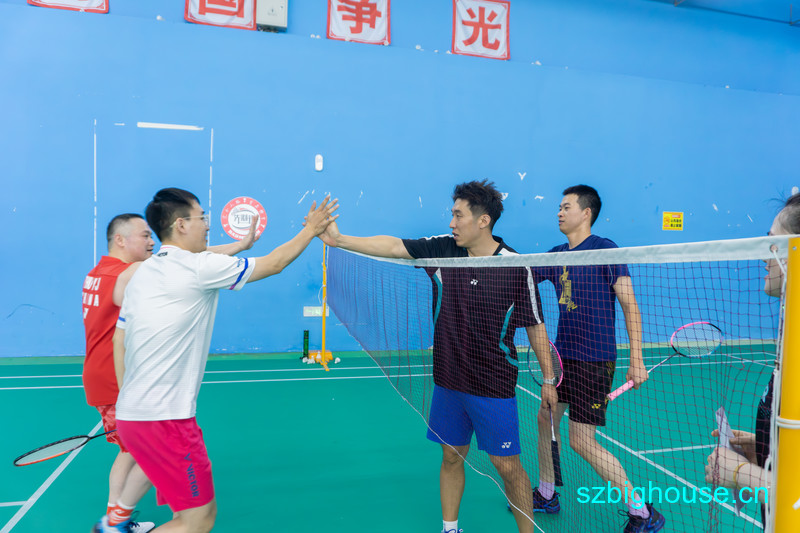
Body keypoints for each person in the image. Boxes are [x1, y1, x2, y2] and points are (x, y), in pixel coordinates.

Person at [318, 180, 556, 533]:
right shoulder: (444, 249)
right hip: (448, 381)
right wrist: (340, 240)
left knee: (507, 467)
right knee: (450, 456)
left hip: (493, 385)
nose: (451, 223)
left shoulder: (516, 267)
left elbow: (535, 325)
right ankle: (450, 528)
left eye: (458, 215)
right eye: (452, 214)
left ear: (483, 220)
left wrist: (549, 380)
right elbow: (394, 246)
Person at [113, 188, 338, 533]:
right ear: (181, 224)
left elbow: (120, 341)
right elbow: (274, 263)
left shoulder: (143, 273)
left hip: (132, 414)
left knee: (184, 514)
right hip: (166, 419)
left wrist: (125, 404)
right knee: (196, 521)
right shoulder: (199, 267)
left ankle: (114, 523)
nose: (207, 224)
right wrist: (312, 229)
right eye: (202, 217)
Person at [83, 213, 260, 533]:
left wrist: (238, 246)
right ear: (120, 240)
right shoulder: (130, 273)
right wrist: (239, 246)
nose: (152, 242)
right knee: (141, 452)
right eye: (144, 236)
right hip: (120, 376)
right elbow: (187, 262)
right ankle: (113, 523)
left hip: (107, 372)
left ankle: (116, 520)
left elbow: (184, 261)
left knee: (138, 451)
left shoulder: (98, 273)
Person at [533, 185, 665, 532]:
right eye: (559, 207)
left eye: (566, 207)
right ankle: (546, 493)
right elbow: (522, 273)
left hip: (594, 359)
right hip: (563, 358)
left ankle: (642, 512)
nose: (559, 212)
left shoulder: (604, 250)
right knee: (545, 419)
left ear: (586, 212)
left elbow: (629, 305)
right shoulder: (557, 254)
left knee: (580, 441)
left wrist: (637, 359)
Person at [704, 192, 800, 527]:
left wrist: (743, 474)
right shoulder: (791, 335)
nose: (764, 255)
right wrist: (765, 447)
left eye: (774, 243)